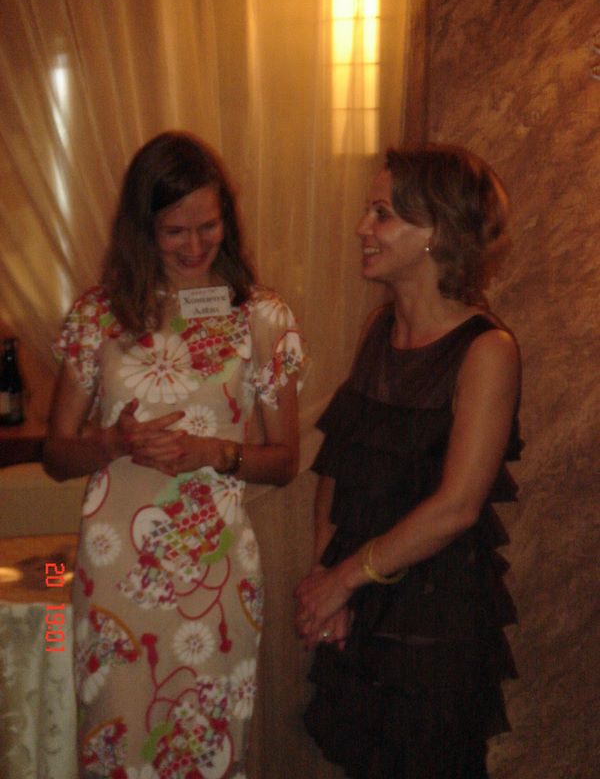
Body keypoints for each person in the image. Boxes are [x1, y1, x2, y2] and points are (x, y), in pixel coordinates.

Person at [43, 131, 305, 778]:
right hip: (117, 575)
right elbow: (55, 453)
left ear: (227, 220)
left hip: (214, 574)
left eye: (207, 227)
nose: (193, 246)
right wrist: (112, 443)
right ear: (143, 229)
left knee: (208, 751)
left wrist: (212, 451)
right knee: (117, 745)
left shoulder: (261, 318)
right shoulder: (98, 316)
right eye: (174, 232)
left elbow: (285, 461)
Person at [294, 144, 522, 778]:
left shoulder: (487, 350)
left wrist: (343, 580)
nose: (362, 228)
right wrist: (325, 578)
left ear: (436, 233)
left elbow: (457, 508)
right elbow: (339, 466)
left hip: (433, 620)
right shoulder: (379, 329)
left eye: (383, 214)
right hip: (361, 598)